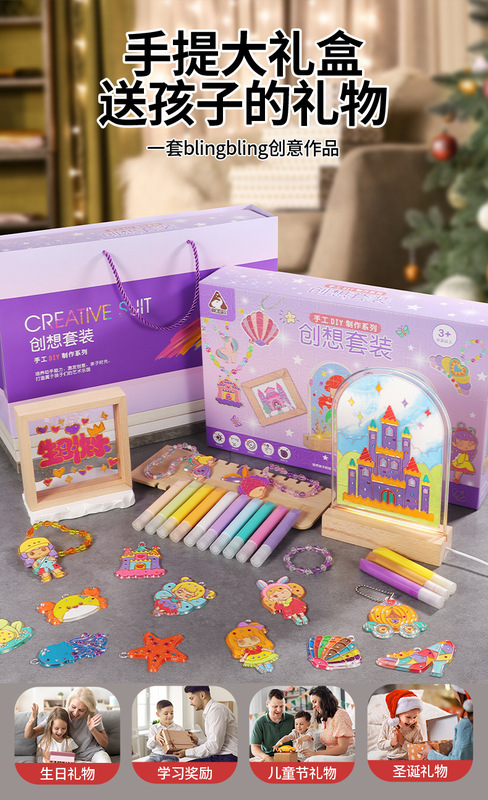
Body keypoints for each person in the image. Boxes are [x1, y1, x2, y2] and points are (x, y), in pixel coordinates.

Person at [30, 688, 111, 762]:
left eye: (81, 710)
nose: (75, 713)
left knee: (105, 765)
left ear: (87, 709)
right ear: (69, 703)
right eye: (73, 707)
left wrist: (93, 730)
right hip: (73, 757)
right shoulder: (60, 715)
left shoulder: (93, 714)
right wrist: (31, 721)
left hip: (94, 753)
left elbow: (104, 744)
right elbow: (32, 734)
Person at [171, 686, 238, 762]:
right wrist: (198, 741)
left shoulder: (216, 710)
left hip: (228, 757)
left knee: (187, 767)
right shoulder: (211, 711)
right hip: (223, 756)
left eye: (192, 698)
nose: (190, 703)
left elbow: (214, 747)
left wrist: (186, 753)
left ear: (202, 695)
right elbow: (214, 743)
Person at [301, 686, 355, 760]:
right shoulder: (326, 718)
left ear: (324, 700)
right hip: (333, 755)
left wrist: (315, 753)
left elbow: (342, 749)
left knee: (312, 760)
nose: (313, 706)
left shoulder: (340, 714)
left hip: (345, 755)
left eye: (315, 702)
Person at [422, 689, 473, 761]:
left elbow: (456, 763)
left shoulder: (466, 724)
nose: (454, 694)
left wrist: (430, 754)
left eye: (455, 691)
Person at [376, 690, 424, 760]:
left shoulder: (417, 728)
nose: (411, 721)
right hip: (391, 758)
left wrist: (403, 742)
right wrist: (391, 743)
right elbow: (380, 744)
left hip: (408, 759)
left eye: (414, 717)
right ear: (398, 715)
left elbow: (417, 749)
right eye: (408, 717)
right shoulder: (388, 724)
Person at [250, 688, 294, 761]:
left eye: (281, 706)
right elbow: (254, 747)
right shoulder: (259, 723)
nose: (279, 710)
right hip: (268, 756)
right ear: (267, 704)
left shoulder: (293, 719)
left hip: (289, 756)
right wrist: (266, 757)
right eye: (275, 706)